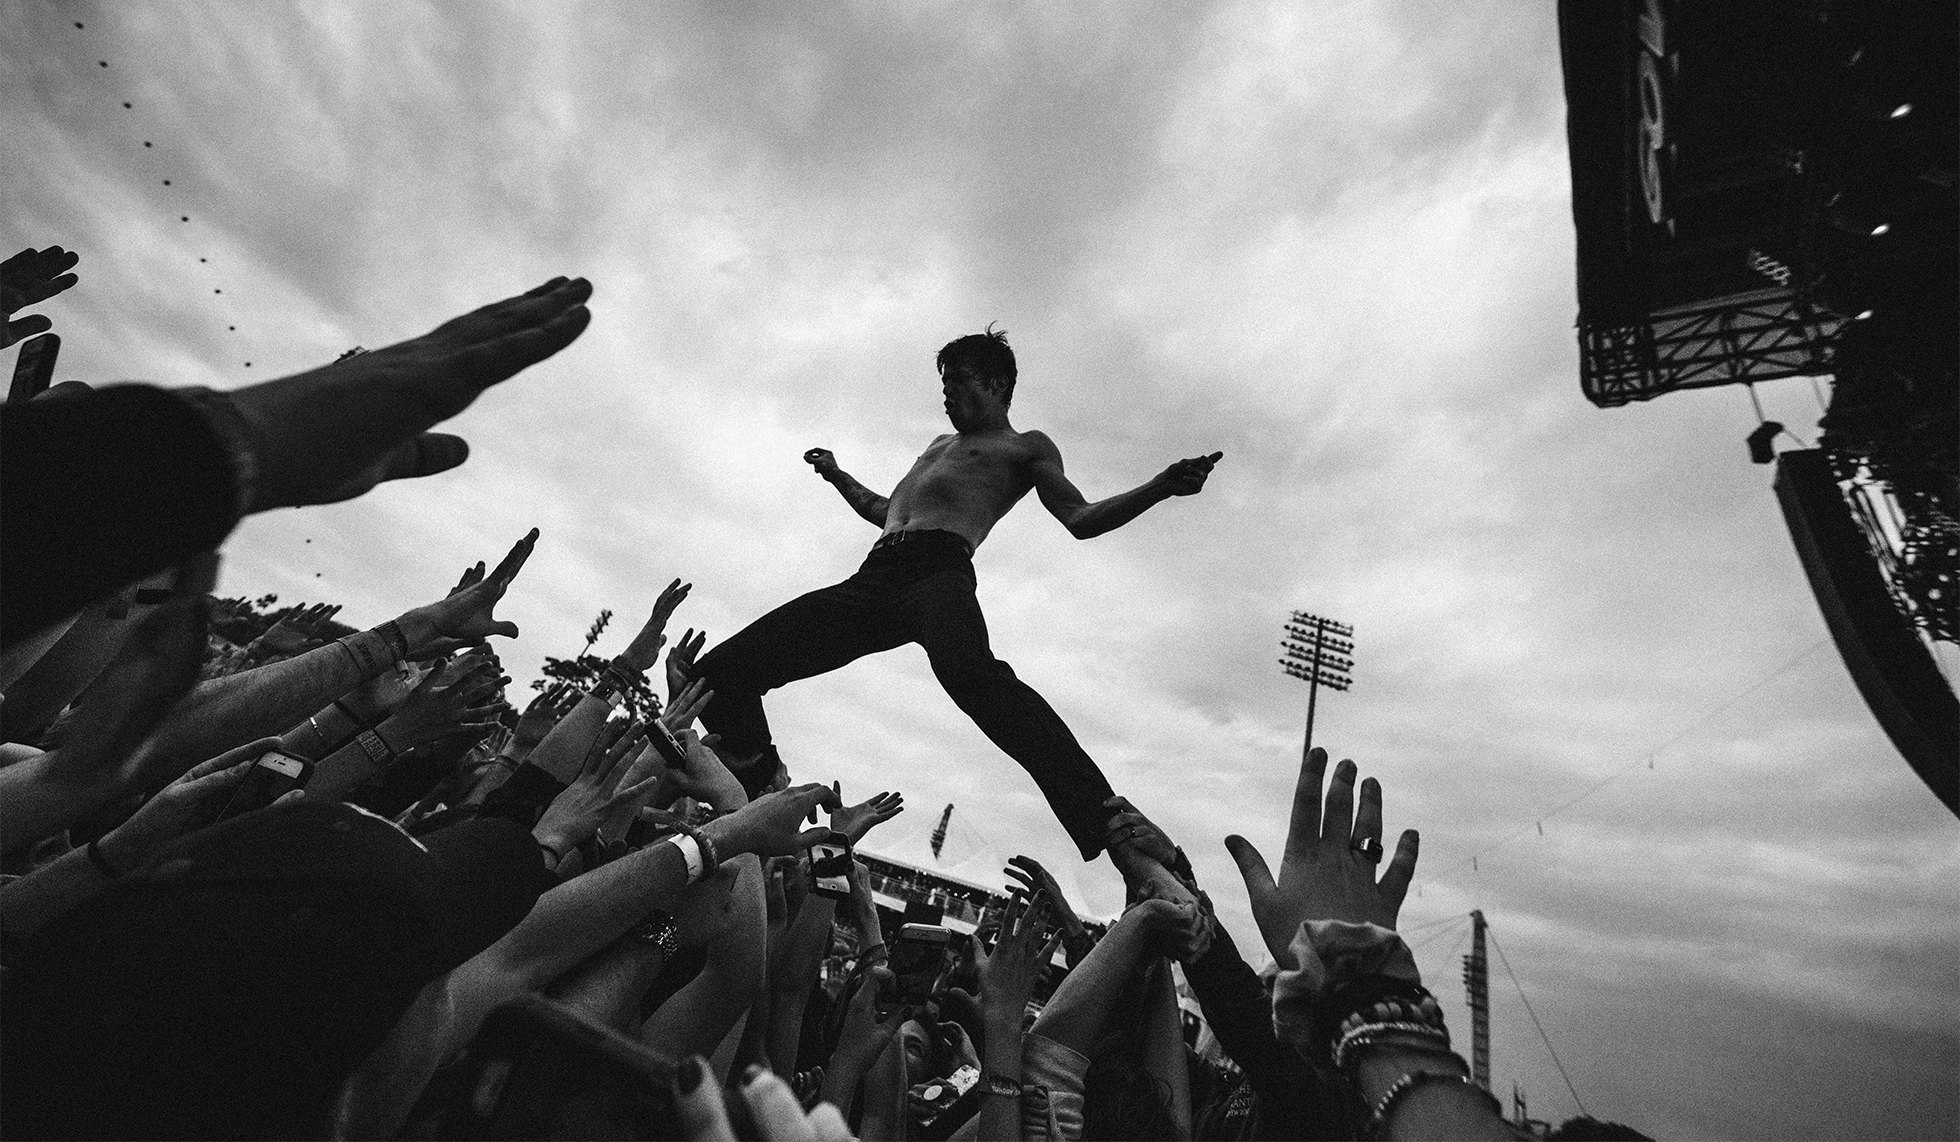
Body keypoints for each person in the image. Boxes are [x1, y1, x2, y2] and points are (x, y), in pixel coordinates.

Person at [690, 325, 1221, 890]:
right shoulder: (935, 449)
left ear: (996, 384)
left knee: (982, 685)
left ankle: (1109, 823)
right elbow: (884, 510)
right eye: (943, 384)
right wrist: (837, 474)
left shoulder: (1025, 447)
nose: (947, 395)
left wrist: (1161, 486)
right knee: (719, 674)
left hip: (939, 573)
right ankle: (763, 783)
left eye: (960, 381)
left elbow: (1081, 519)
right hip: (875, 576)